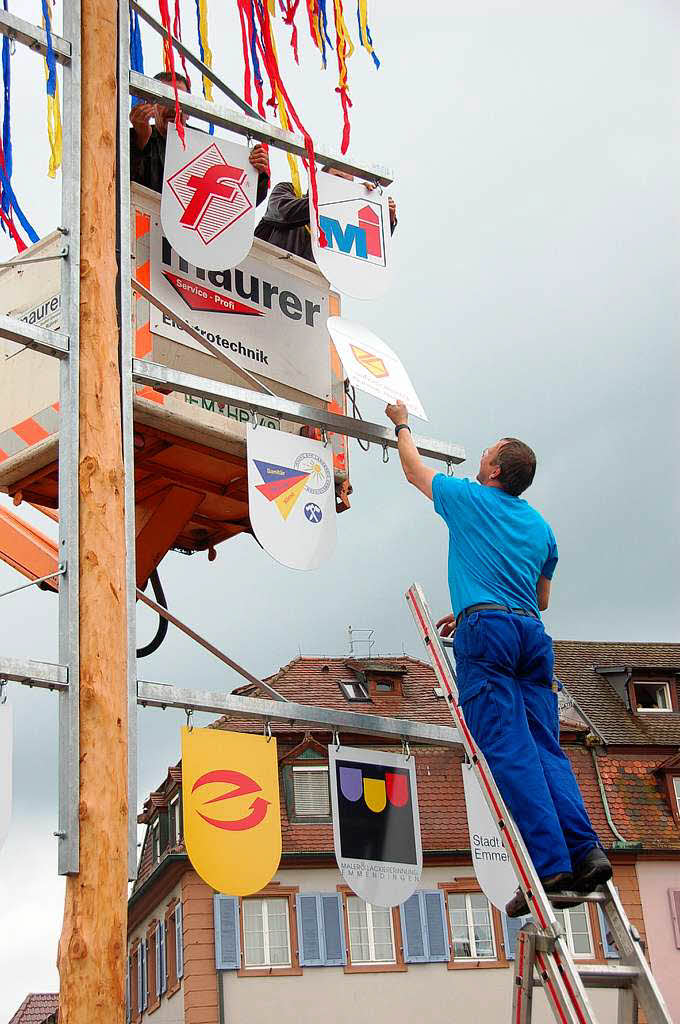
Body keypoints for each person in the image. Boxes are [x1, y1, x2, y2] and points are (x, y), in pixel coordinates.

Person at [384, 400, 613, 917]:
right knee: (545, 747)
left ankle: (549, 866)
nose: (479, 458)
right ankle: (586, 851)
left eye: (484, 452)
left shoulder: (469, 498)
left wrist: (400, 422)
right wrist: (470, 608)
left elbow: (413, 468)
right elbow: (542, 598)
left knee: (508, 748)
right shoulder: (541, 528)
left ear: (491, 469)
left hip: (488, 631)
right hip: (531, 633)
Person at [130, 71, 270, 203]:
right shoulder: (133, 137)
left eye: (181, 102)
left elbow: (239, 201)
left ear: (190, 111)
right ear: (151, 108)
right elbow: (117, 186)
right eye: (166, 100)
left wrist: (258, 172)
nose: (173, 109)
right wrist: (140, 142)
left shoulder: (204, 145)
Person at [254, 167, 397, 262]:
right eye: (337, 179)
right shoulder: (288, 191)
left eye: (347, 185)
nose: (341, 188)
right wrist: (342, 198)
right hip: (259, 282)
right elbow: (284, 213)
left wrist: (384, 221)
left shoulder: (340, 228)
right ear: (319, 179)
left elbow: (365, 253)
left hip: (306, 296)